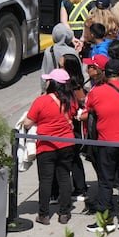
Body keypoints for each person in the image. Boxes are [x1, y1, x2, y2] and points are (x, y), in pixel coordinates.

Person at [83, 58, 119, 230]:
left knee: (105, 180)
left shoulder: (95, 92)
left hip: (105, 142)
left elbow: (88, 111)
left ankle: (105, 218)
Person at [20, 69, 79, 225]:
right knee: (65, 177)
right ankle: (64, 213)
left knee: (45, 180)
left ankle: (44, 214)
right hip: (67, 144)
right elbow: (72, 115)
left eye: (48, 80)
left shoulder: (41, 101)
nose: (46, 82)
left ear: (52, 83)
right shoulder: (71, 100)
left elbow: (27, 123)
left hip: (46, 145)